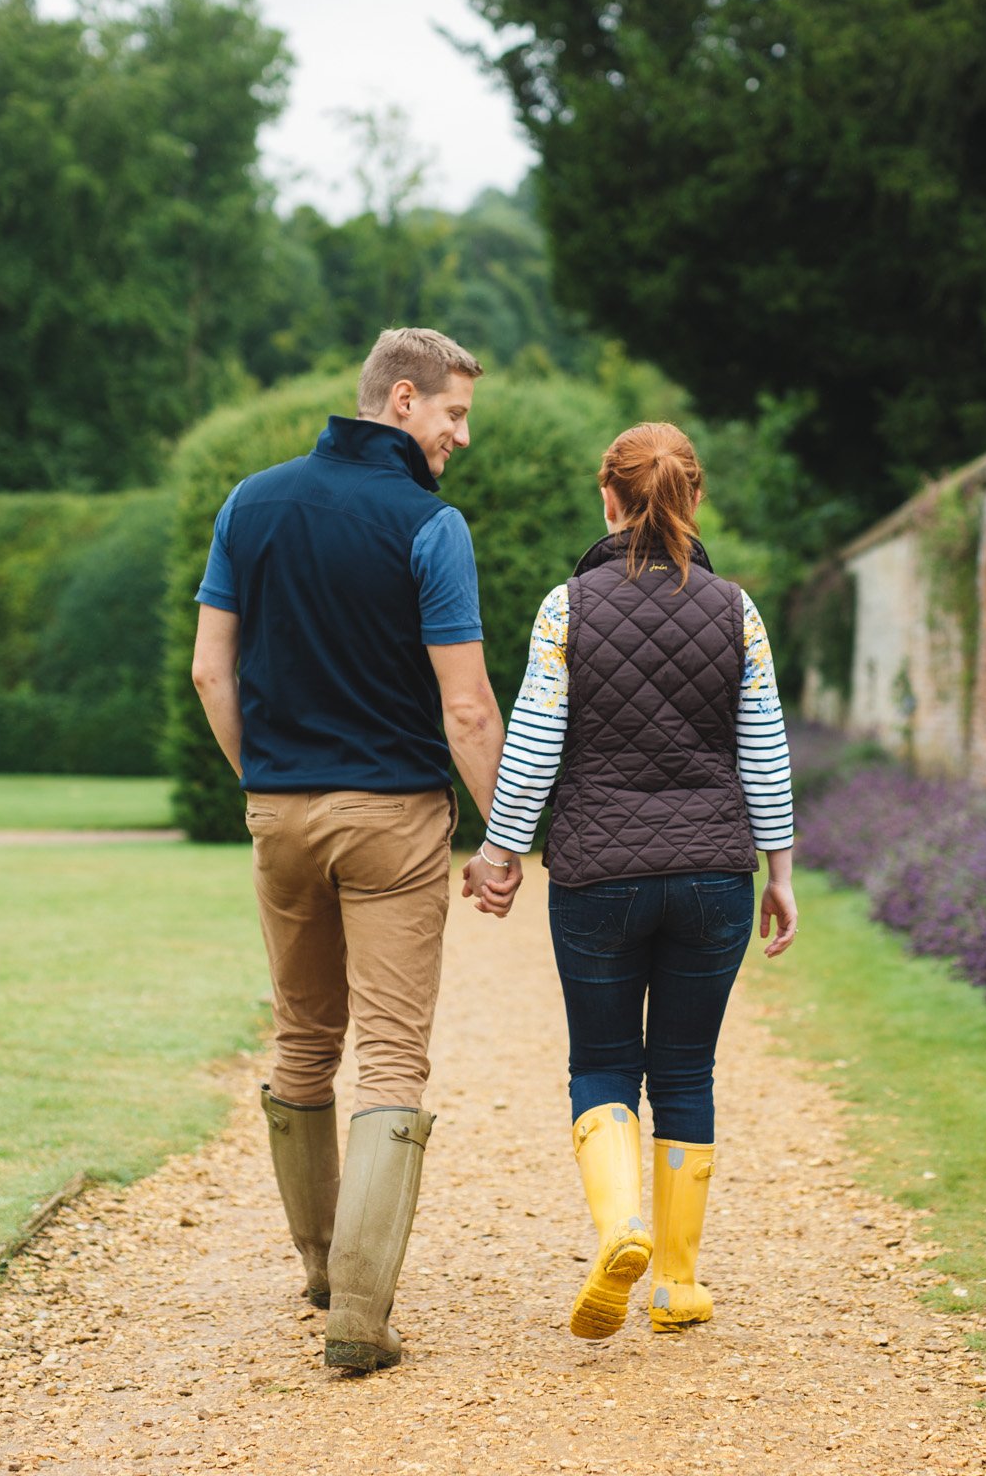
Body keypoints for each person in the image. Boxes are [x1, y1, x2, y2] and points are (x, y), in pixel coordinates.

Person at [190, 327, 522, 1375]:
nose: (461, 436)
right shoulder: (431, 525)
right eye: (454, 414)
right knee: (389, 1055)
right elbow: (466, 706)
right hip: (393, 817)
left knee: (300, 1039)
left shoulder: (251, 500)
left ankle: (323, 1270)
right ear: (405, 398)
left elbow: (211, 671)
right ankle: (361, 1314)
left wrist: (265, 786)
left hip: (279, 811)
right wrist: (507, 835)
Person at [470, 421, 797, 1342]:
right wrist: (778, 869)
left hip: (597, 877)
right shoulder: (737, 610)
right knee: (687, 1070)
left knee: (604, 1063)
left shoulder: (565, 607)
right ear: (692, 500)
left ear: (608, 499)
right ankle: (680, 1287)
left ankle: (621, 1230)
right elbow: (763, 751)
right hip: (712, 878)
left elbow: (533, 745)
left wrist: (499, 851)